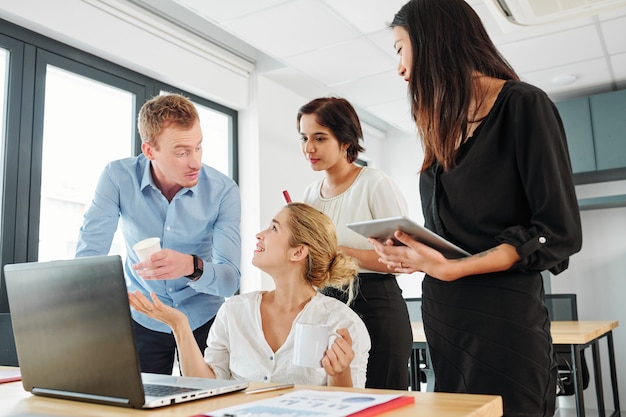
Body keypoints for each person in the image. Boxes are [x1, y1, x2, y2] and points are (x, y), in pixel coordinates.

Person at [370, 1, 583, 415]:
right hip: (445, 317)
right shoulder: (440, 125)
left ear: (433, 41)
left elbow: (557, 231)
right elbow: (451, 235)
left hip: (502, 319)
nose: (398, 68)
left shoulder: (523, 105)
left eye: (399, 48)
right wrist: (415, 253)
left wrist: (454, 268)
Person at [76, 93, 241, 375]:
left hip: (205, 317)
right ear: (150, 151)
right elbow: (89, 256)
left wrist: (191, 266)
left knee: (211, 403)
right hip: (144, 315)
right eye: (182, 152)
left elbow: (229, 282)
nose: (195, 162)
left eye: (198, 148)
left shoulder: (224, 191)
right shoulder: (117, 177)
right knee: (142, 406)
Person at [129, 202, 371, 387]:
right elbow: (207, 386)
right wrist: (180, 326)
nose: (259, 234)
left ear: (298, 252)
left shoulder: (343, 324)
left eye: (274, 228)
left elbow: (349, 407)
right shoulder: (234, 310)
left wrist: (340, 373)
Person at [298, 97, 413, 390]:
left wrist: (339, 253)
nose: (309, 148)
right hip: (326, 303)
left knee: (382, 401)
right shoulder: (310, 194)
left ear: (346, 141)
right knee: (335, 402)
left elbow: (403, 259)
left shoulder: (374, 183)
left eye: (319, 138)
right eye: (304, 138)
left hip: (376, 304)